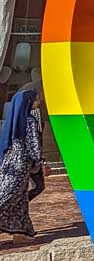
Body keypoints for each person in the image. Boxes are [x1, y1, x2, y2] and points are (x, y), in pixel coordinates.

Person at [0, 88, 45, 244]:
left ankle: (20, 233)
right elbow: (34, 146)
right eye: (36, 99)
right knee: (7, 196)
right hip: (21, 166)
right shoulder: (30, 121)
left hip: (10, 163)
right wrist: (40, 163)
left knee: (20, 199)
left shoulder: (13, 121)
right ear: (28, 102)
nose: (39, 102)